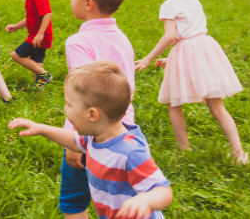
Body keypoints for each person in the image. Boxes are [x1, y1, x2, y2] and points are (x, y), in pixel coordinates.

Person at [9, 60, 173, 219]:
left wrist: (145, 200)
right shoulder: (95, 137)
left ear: (92, 115)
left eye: (69, 105)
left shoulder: (130, 152)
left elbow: (164, 192)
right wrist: (42, 129)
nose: (65, 108)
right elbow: (74, 141)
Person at [135, 0, 247, 163]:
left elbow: (171, 37)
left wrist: (149, 58)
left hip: (189, 50)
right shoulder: (194, 0)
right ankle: (238, 153)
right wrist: (172, 58)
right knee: (217, 106)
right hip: (205, 48)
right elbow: (191, 35)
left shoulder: (169, 5)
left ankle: (184, 149)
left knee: (172, 103)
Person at [60, 0, 138, 219]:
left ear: (88, 3)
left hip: (89, 134)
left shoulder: (78, 42)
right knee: (117, 203)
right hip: (124, 131)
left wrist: (74, 141)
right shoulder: (123, 38)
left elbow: (85, 95)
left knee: (74, 203)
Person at [5, 0, 54, 90]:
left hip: (39, 36)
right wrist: (17, 26)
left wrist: (40, 34)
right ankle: (39, 92)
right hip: (40, 35)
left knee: (16, 55)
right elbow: (32, 17)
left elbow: (47, 13)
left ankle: (44, 75)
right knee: (37, 63)